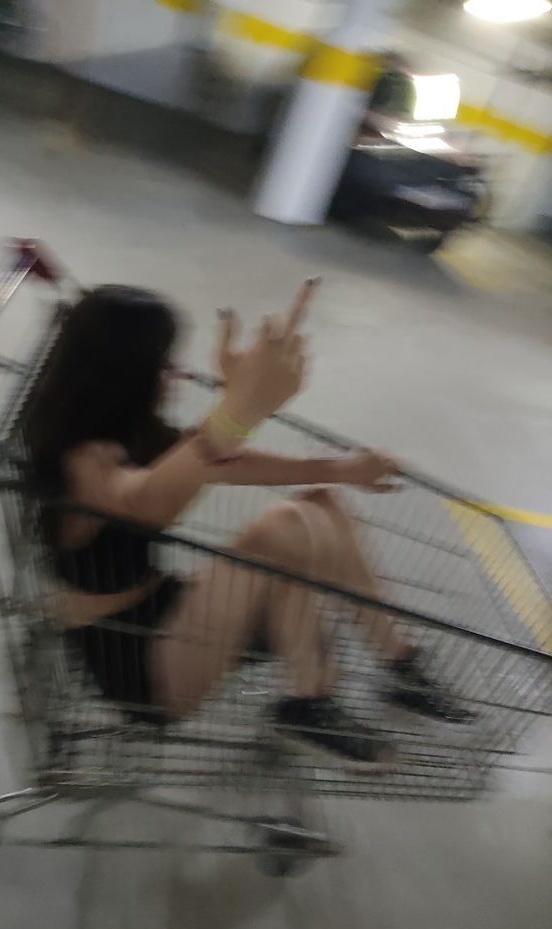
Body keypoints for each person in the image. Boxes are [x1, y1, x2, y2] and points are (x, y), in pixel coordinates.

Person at [25, 280, 471, 769]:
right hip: (139, 666)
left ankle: (399, 661)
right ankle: (308, 701)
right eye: (164, 361)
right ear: (125, 371)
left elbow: (219, 462)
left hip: (164, 614)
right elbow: (147, 503)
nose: (174, 374)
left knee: (322, 505)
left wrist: (336, 470)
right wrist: (240, 407)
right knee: (287, 529)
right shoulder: (82, 463)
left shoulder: (121, 428)